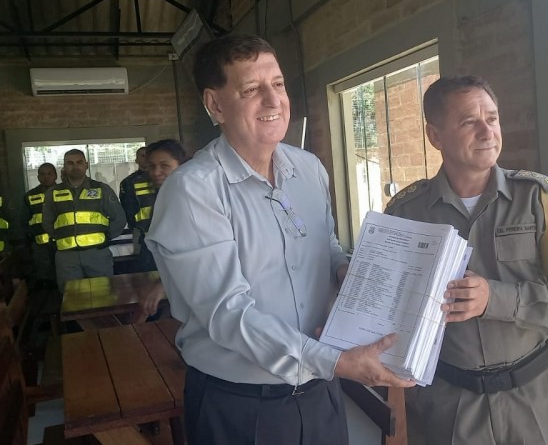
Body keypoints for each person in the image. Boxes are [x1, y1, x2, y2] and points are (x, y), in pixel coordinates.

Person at [145, 34, 414, 445]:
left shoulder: (308, 169)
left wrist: (348, 273)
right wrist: (336, 361)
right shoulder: (192, 190)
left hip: (321, 391)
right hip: (241, 406)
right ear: (215, 105)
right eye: (252, 89)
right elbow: (228, 315)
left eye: (279, 84)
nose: (274, 101)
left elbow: (325, 246)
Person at [385, 75, 548, 445]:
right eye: (470, 121)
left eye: (493, 117)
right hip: (451, 405)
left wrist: (496, 298)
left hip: (535, 399)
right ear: (435, 136)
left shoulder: (539, 198)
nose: (487, 132)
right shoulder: (405, 213)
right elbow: (386, 309)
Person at [42, 149, 126, 292]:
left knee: (103, 294)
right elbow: (47, 222)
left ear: (86, 165)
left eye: (79, 162)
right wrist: (62, 237)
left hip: (97, 254)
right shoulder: (53, 193)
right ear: (64, 166)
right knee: (71, 298)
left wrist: (108, 236)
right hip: (66, 257)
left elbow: (119, 218)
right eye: (70, 163)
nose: (75, 166)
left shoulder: (101, 189)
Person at [135, 139, 186, 319]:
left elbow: (191, 249)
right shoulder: (163, 194)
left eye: (164, 165)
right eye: (151, 166)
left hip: (184, 282)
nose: (156, 172)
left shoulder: (188, 198)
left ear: (181, 165)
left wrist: (164, 284)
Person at [24, 163, 58, 289]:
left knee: (63, 275)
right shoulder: (30, 196)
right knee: (45, 279)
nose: (46, 177)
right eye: (42, 174)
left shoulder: (64, 192)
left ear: (55, 175)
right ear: (38, 177)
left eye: (49, 173)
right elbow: (24, 220)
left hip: (61, 243)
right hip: (39, 246)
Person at [119, 146, 148, 228]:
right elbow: (126, 207)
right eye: (142, 156)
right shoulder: (128, 182)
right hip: (139, 229)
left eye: (148, 155)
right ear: (136, 160)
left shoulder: (159, 178)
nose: (146, 158)